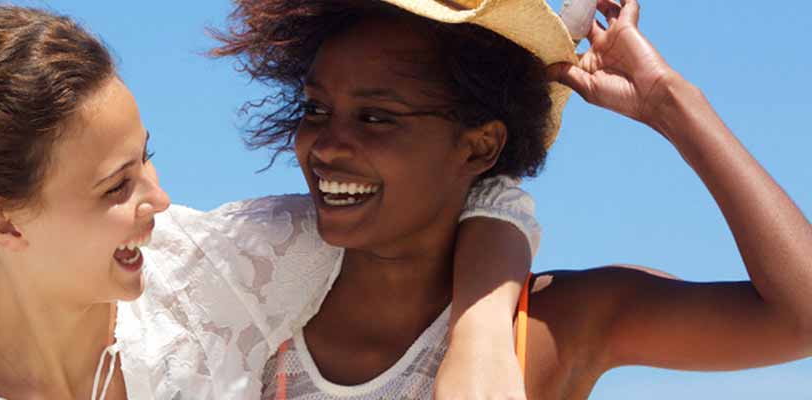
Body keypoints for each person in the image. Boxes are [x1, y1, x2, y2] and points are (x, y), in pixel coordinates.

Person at [0, 3, 539, 399]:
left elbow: (466, 200)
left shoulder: (225, 272)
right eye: (117, 188)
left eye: (146, 163)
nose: (160, 200)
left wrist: (482, 334)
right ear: (2, 220)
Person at [211, 0, 812, 398]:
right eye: (317, 109)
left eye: (376, 117)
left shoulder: (552, 328)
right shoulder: (247, 308)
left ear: (479, 147)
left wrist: (669, 101)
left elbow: (801, 318)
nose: (327, 145)